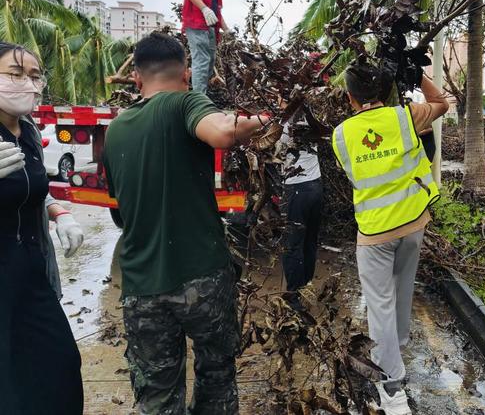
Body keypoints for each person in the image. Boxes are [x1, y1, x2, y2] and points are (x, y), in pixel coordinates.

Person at [103, 32, 269, 415]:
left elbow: (123, 203)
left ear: (138, 79)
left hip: (141, 287)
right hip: (201, 279)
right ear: (187, 74)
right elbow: (223, 131)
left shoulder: (115, 129)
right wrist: (266, 118)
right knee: (216, 376)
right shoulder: (185, 102)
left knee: (158, 395)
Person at [332, 64, 448, 415]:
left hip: (374, 233)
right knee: (402, 290)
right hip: (414, 222)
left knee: (379, 304)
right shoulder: (406, 116)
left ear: (350, 97)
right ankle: (396, 348)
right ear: (386, 91)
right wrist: (416, 74)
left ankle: (391, 387)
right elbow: (441, 103)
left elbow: (354, 173)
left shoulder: (340, 134)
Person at [0, 42, 85, 415]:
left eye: (34, 76)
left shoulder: (30, 133)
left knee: (60, 369)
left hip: (32, 275)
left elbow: (33, 188)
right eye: (14, 75)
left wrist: (57, 212)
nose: (26, 84)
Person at [278, 111, 323, 311]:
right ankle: (305, 285)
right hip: (315, 186)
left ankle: (294, 295)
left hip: (295, 189)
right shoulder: (313, 120)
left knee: (292, 244)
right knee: (309, 241)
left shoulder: (284, 126)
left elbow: (274, 151)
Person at [182, 0, 233, 94]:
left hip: (211, 27)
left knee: (209, 62)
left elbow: (216, 11)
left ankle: (198, 93)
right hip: (196, 23)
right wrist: (204, 9)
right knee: (202, 60)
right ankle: (199, 99)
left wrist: (226, 29)